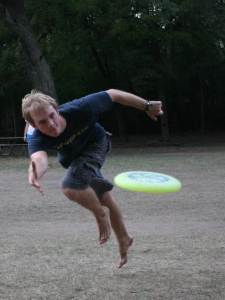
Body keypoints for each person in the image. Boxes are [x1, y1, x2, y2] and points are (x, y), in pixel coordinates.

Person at [23, 89, 163, 268]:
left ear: (57, 110)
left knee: (70, 186)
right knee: (102, 196)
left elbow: (114, 94)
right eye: (42, 122)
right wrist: (34, 173)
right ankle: (124, 238)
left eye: (52, 116)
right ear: (33, 125)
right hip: (74, 159)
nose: (51, 124)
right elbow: (39, 159)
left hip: (96, 144)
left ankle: (100, 213)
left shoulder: (80, 108)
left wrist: (147, 106)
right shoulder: (37, 137)